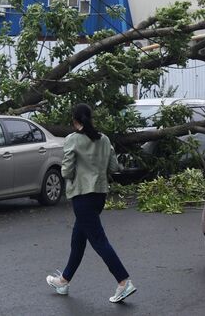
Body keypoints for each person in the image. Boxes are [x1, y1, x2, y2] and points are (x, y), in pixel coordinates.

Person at [46, 103, 136, 303]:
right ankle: (63, 281)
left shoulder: (72, 139)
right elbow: (114, 167)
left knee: (98, 240)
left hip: (82, 196)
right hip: (99, 196)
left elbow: (66, 171)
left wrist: (71, 172)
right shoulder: (104, 139)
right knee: (78, 240)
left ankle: (123, 281)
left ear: (74, 120)